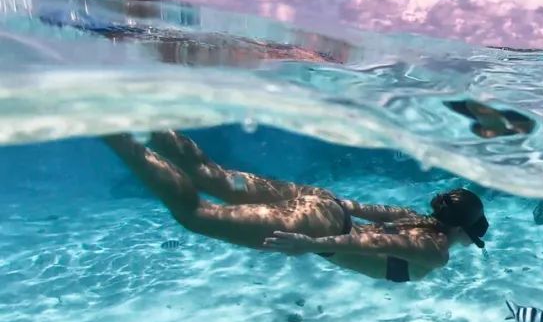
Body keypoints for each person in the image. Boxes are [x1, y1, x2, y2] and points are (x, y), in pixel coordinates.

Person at [103, 130, 488, 282]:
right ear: (460, 230)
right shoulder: (435, 251)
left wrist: (324, 202)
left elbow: (365, 208)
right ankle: (117, 135)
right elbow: (373, 245)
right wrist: (307, 243)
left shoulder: (415, 219)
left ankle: (147, 124)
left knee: (211, 174)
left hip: (325, 204)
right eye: (473, 236)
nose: (470, 242)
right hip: (323, 228)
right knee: (196, 214)